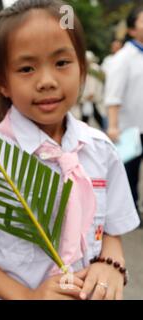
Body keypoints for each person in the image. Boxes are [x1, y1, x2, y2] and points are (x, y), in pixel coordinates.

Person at [0, 0, 140, 300]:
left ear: (82, 68)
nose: (47, 82)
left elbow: (113, 228)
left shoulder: (101, 150)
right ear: (3, 83)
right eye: (26, 68)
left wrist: (111, 262)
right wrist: (26, 295)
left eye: (62, 63)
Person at [104, 5, 143, 227]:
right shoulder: (124, 58)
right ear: (131, 29)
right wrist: (113, 125)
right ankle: (130, 215)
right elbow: (113, 94)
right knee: (129, 174)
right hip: (130, 128)